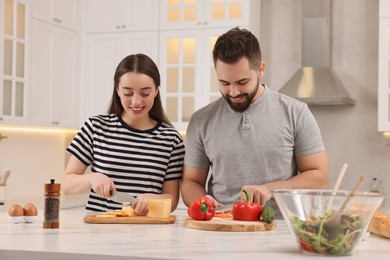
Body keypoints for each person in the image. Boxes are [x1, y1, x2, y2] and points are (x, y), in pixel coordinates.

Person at [181, 27, 329, 217]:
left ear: (261, 69)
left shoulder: (295, 112)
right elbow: (190, 182)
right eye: (224, 83)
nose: (233, 92)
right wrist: (201, 201)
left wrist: (270, 189)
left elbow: (320, 177)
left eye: (242, 82)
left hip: (280, 227)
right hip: (222, 227)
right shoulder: (201, 120)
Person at [62, 54, 185, 215]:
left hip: (147, 232)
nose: (136, 102)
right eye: (128, 93)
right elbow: (66, 185)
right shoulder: (95, 127)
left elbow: (172, 199)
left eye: (145, 93)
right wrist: (92, 178)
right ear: (117, 90)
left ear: (156, 91)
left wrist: (155, 199)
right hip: (99, 231)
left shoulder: (171, 140)